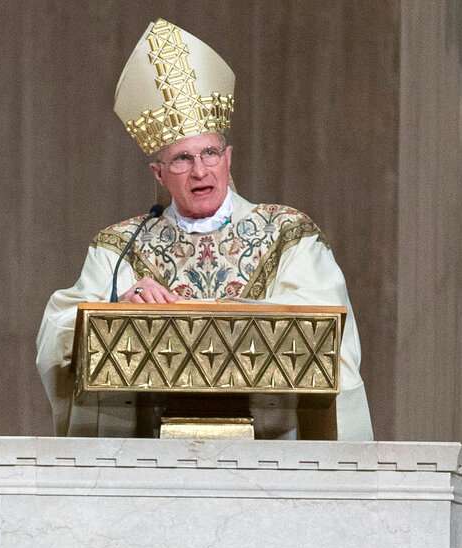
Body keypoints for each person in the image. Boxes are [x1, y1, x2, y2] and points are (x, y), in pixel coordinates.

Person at [36, 17, 373, 440]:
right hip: (149, 457)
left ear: (229, 158)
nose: (200, 171)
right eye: (182, 159)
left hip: (270, 452)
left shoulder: (289, 234)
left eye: (210, 153)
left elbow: (326, 337)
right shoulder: (121, 245)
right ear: (159, 174)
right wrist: (120, 307)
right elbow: (58, 332)